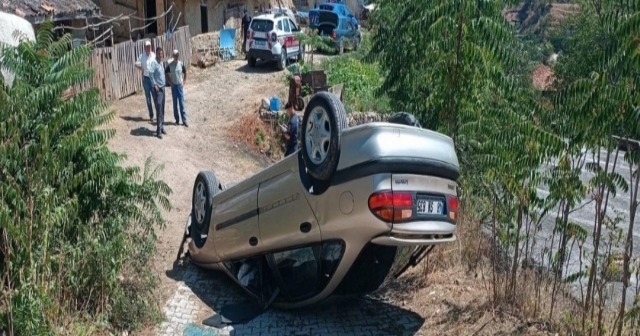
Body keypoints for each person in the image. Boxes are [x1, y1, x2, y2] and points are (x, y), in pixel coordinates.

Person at [135, 40, 156, 121]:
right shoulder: (142, 56)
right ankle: (151, 115)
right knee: (148, 98)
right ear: (144, 47)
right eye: (147, 46)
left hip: (152, 78)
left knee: (155, 97)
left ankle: (158, 114)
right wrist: (141, 68)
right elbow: (136, 63)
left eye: (149, 46)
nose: (148, 48)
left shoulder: (153, 55)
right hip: (146, 79)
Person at [166, 49, 188, 127]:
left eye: (177, 55)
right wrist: (170, 83)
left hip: (179, 86)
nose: (176, 57)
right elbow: (166, 73)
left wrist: (184, 82)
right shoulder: (170, 65)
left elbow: (185, 73)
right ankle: (177, 120)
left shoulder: (181, 64)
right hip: (174, 87)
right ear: (173, 56)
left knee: (182, 104)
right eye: (175, 55)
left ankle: (184, 120)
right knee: (175, 104)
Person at [149, 47, 167, 139]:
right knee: (159, 109)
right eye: (159, 53)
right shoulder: (154, 63)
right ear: (156, 54)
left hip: (163, 88)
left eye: (161, 53)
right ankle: (158, 131)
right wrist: (155, 85)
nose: (161, 55)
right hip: (158, 90)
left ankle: (162, 126)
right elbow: (150, 74)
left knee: (162, 109)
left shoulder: (161, 63)